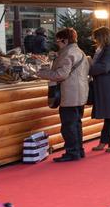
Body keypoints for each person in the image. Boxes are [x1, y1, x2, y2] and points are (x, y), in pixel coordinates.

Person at [38, 28, 90, 162]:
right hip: (80, 93)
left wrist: (41, 73)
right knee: (76, 123)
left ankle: (72, 152)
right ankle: (78, 150)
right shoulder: (79, 51)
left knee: (68, 125)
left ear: (65, 40)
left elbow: (61, 74)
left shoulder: (68, 53)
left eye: (58, 41)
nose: (57, 44)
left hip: (70, 94)